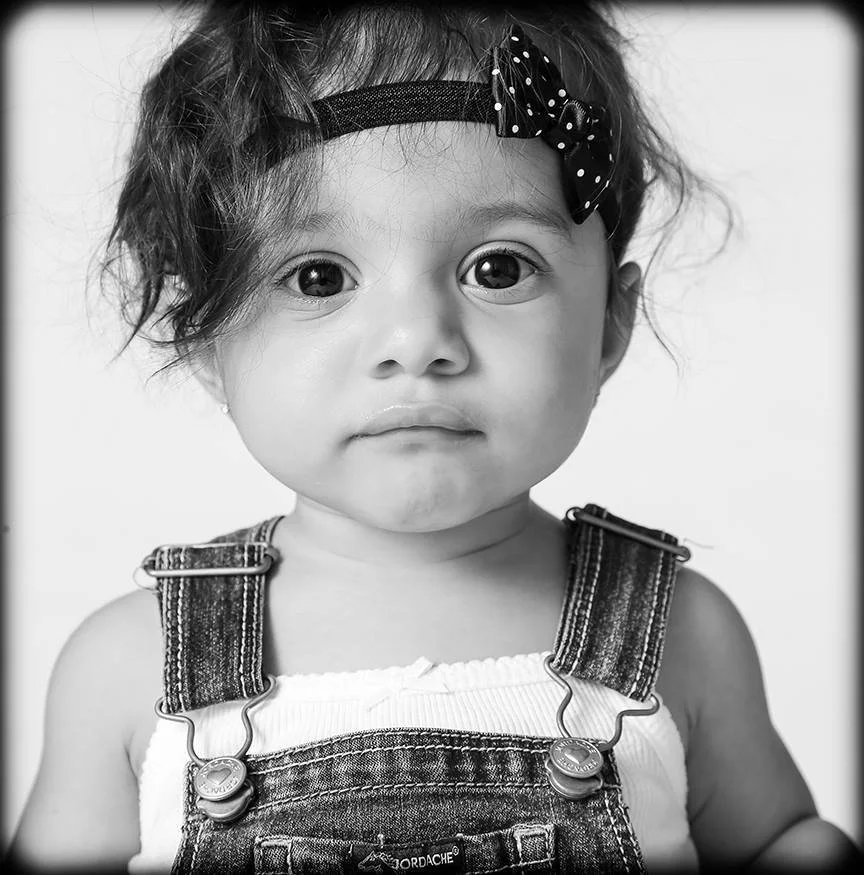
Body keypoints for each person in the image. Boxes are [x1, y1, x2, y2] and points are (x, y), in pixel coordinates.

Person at [9, 2, 860, 872]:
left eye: (498, 268)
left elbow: (778, 843)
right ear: (206, 344)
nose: (417, 340)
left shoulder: (683, 636)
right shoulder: (128, 667)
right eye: (317, 277)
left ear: (609, 322)